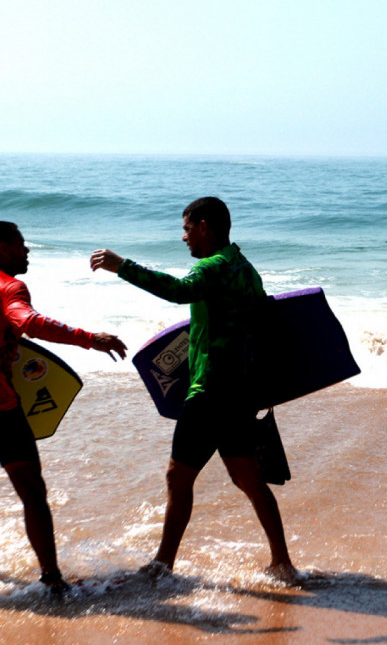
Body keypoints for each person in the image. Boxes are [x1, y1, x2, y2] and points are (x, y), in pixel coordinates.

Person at [89, 197, 299, 584]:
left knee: (178, 476)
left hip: (210, 389)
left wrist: (123, 266)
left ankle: (162, 566)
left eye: (187, 228)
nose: (183, 237)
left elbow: (178, 290)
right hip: (239, 390)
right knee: (247, 478)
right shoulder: (246, 269)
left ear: (204, 226)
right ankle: (282, 563)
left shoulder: (213, 266)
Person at [0, 221, 127, 594]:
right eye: (20, 245)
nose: (27, 251)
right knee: (32, 491)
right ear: (2, 248)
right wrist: (89, 339)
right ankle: (52, 578)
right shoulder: (10, 287)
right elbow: (29, 323)